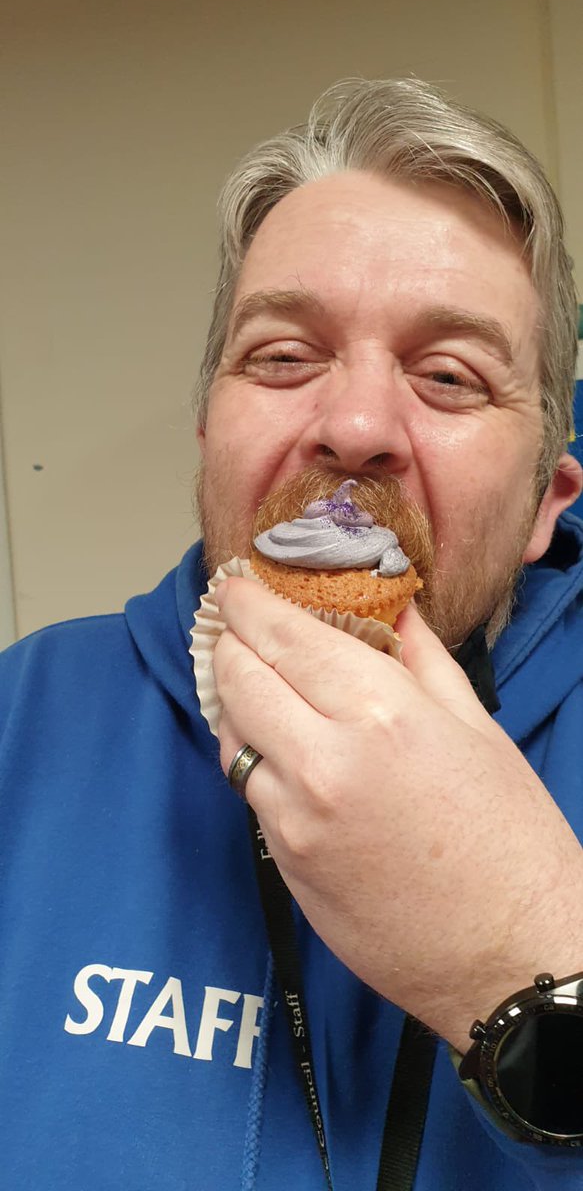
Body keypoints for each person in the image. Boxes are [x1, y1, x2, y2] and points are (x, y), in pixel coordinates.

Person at [1, 77, 583, 1191]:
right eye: (281, 356)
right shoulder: (17, 728)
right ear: (211, 430)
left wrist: (537, 962)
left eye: (448, 376)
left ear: (543, 503)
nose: (356, 426)